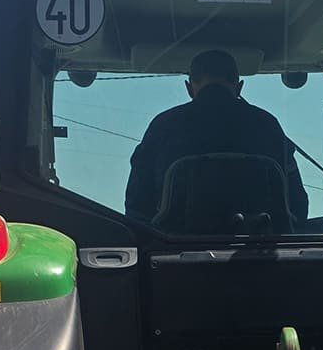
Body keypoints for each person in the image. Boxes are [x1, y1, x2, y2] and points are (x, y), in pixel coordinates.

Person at [124, 49, 309, 225]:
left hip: (171, 249)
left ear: (189, 88)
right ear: (239, 88)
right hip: (258, 248)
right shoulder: (268, 126)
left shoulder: (162, 126)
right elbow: (297, 207)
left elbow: (136, 208)